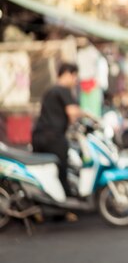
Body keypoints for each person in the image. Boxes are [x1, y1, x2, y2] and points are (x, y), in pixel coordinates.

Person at [32, 63, 92, 199]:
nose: (75, 80)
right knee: (61, 171)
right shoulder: (63, 90)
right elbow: (72, 112)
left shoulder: (50, 90)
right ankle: (65, 204)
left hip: (38, 136)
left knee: (43, 171)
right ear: (67, 74)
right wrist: (88, 116)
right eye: (74, 76)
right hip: (53, 138)